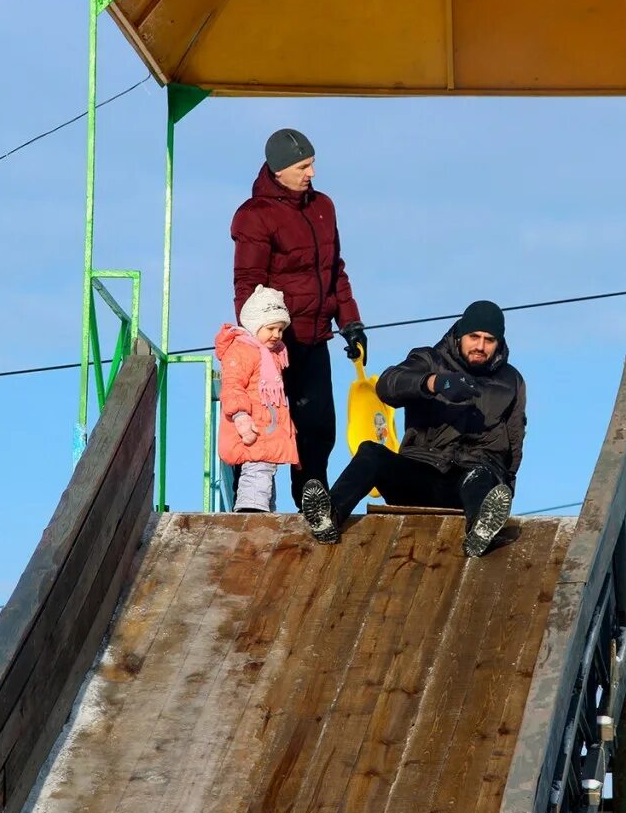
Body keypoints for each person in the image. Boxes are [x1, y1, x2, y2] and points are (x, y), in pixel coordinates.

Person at [300, 300, 526, 557]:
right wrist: (433, 383)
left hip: (468, 483)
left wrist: (505, 491)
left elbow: (514, 442)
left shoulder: (511, 380)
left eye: (489, 339)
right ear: (461, 334)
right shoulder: (429, 359)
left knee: (482, 476)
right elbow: (387, 385)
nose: (481, 346)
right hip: (421, 472)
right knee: (371, 453)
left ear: (499, 343)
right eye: (474, 336)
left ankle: (482, 530)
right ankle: (328, 515)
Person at [231, 128, 367, 509]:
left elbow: (334, 270)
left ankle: (312, 500)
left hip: (315, 338)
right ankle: (252, 504)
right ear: (279, 170)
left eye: (312, 164)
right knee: (263, 424)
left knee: (318, 427)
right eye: (303, 166)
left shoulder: (323, 207)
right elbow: (247, 283)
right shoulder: (254, 216)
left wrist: (351, 322)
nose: (311, 173)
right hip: (273, 345)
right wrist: (258, 339)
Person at [215, 285, 299, 513]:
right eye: (271, 328)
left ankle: (265, 512)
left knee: (266, 472)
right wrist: (241, 417)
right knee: (257, 470)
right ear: (255, 325)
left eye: (281, 329)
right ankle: (251, 511)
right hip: (252, 426)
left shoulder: (272, 355)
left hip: (267, 427)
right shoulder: (242, 351)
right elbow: (232, 386)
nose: (277, 335)